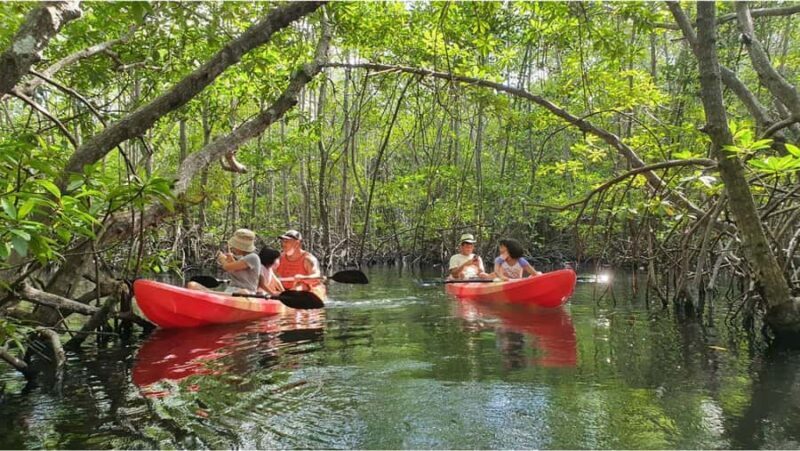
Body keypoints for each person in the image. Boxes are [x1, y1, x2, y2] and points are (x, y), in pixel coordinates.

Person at [187, 228, 261, 293]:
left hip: (245, 294)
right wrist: (230, 259)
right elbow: (234, 270)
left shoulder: (253, 257)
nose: (233, 248)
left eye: (235, 246)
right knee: (192, 285)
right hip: (231, 291)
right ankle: (213, 294)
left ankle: (211, 293)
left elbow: (227, 267)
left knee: (243, 292)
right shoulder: (242, 258)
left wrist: (222, 258)